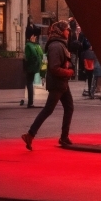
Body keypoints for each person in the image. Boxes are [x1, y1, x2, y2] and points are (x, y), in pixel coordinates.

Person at [21, 20, 74, 150]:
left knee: (68, 107)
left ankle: (63, 136)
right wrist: (68, 72)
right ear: (61, 31)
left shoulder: (60, 44)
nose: (68, 32)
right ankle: (30, 134)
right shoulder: (56, 45)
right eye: (67, 29)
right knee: (49, 109)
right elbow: (54, 67)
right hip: (58, 83)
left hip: (61, 82)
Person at [23, 30, 43, 108]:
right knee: (30, 83)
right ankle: (30, 102)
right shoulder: (36, 46)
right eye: (34, 36)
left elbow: (28, 57)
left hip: (30, 67)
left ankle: (30, 102)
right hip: (35, 66)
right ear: (31, 37)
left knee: (29, 83)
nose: (35, 38)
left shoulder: (28, 45)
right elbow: (41, 54)